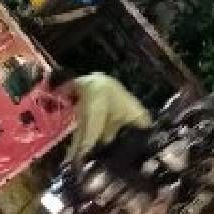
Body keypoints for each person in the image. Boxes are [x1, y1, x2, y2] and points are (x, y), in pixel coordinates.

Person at [49, 69, 157, 197]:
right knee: (101, 161)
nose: (61, 97)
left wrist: (82, 152)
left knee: (115, 165)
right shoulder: (80, 98)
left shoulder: (96, 86)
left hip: (135, 126)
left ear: (67, 83)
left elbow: (95, 123)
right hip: (118, 135)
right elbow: (81, 129)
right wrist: (68, 159)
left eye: (61, 92)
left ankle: (153, 194)